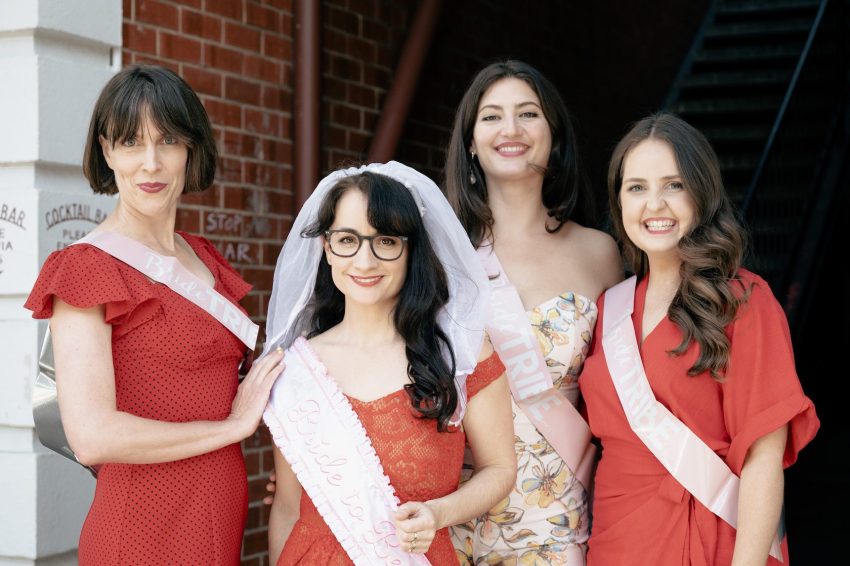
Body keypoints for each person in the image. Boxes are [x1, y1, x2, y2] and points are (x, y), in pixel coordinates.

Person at [24, 65, 284, 565]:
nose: (151, 163)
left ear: (191, 148)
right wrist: (230, 429)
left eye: (167, 140)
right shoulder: (87, 268)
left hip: (219, 519)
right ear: (106, 151)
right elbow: (92, 436)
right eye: (130, 143)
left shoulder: (206, 261)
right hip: (142, 529)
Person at [579, 112, 820, 565]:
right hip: (616, 543)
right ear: (619, 202)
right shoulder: (609, 308)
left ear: (701, 193)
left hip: (712, 541)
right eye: (637, 188)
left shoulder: (743, 301)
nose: (655, 204)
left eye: (674, 185)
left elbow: (764, 460)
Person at [263, 162, 517, 564]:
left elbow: (500, 467)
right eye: (347, 239)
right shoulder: (295, 368)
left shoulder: (459, 354)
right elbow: (288, 507)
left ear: (410, 249)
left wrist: (439, 514)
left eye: (384, 241)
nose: (364, 262)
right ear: (327, 247)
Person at [444, 60, 622, 564]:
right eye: (492, 116)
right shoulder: (438, 256)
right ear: (471, 142)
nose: (511, 130)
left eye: (528, 114)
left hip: (558, 515)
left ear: (554, 135)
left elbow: (630, 388)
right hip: (453, 510)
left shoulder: (599, 252)